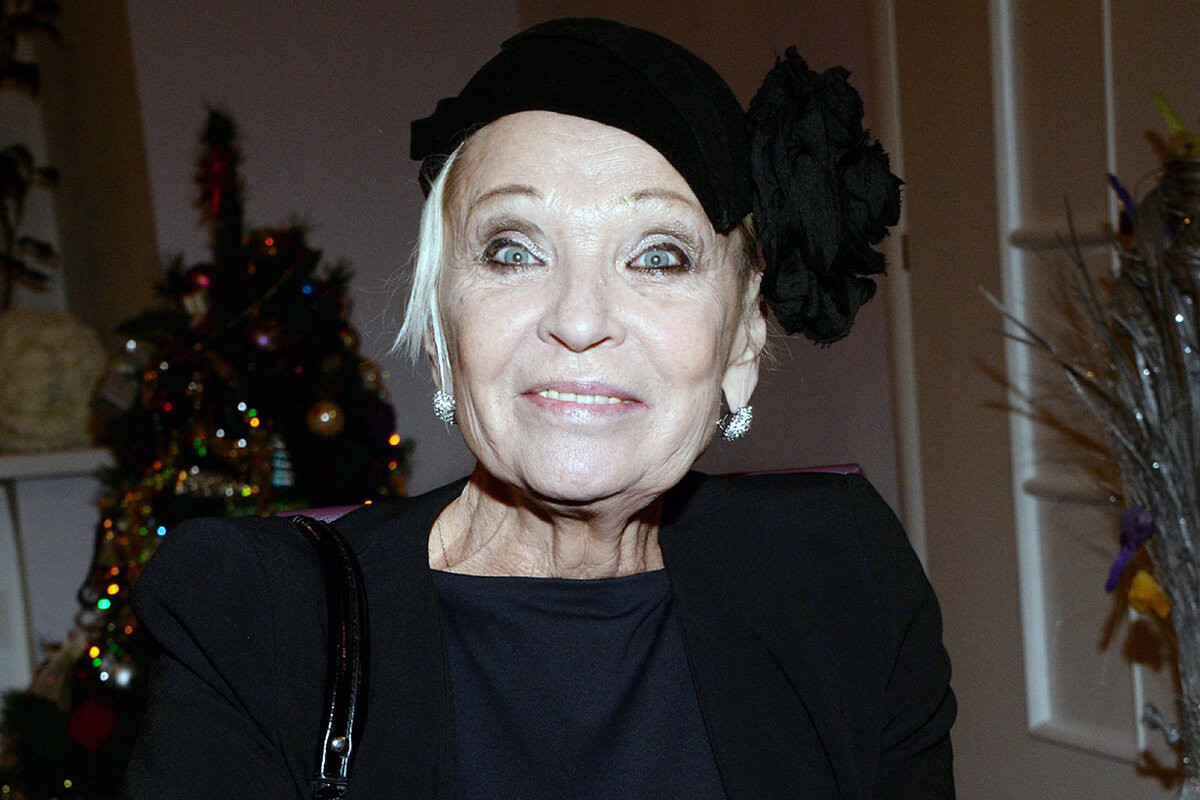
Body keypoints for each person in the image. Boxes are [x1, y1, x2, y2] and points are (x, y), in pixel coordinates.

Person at [122, 17, 954, 800]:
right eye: (513, 251)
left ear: (741, 340)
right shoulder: (259, 620)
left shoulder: (843, 577)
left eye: (659, 257)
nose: (580, 320)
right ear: (443, 325)